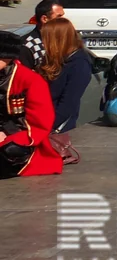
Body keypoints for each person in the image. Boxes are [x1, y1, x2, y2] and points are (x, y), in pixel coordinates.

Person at [0, 31, 62, 177]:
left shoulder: (31, 81)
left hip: (18, 138)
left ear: (8, 57)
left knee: (10, 151)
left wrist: (6, 133)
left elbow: (40, 125)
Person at [37, 17, 92, 143]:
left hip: (55, 127)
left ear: (57, 39)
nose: (43, 42)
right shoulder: (54, 58)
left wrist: (46, 126)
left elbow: (68, 103)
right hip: (40, 118)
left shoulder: (79, 64)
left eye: (46, 38)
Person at [21, 0, 64, 68]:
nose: (64, 20)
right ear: (44, 19)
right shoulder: (28, 46)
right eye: (59, 16)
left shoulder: (62, 40)